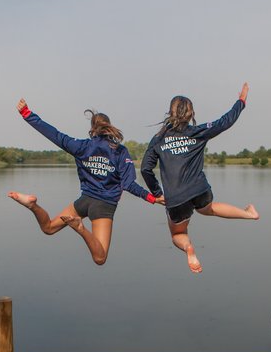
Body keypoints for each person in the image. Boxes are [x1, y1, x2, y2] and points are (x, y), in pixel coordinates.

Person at [9, 98, 164, 265]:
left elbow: (54, 134)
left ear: (92, 129)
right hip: (104, 205)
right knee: (100, 257)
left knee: (48, 228)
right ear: (109, 126)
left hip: (84, 201)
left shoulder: (81, 146)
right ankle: (80, 228)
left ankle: (32, 205)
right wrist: (151, 198)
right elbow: (128, 184)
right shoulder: (119, 151)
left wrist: (26, 114)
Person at [140, 83, 259, 273]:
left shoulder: (158, 139)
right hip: (199, 190)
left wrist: (156, 192)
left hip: (176, 198)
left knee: (178, 233)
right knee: (208, 209)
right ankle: (249, 214)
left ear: (170, 113)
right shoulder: (197, 132)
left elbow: (146, 169)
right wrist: (241, 101)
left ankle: (188, 248)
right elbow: (225, 121)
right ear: (190, 114)